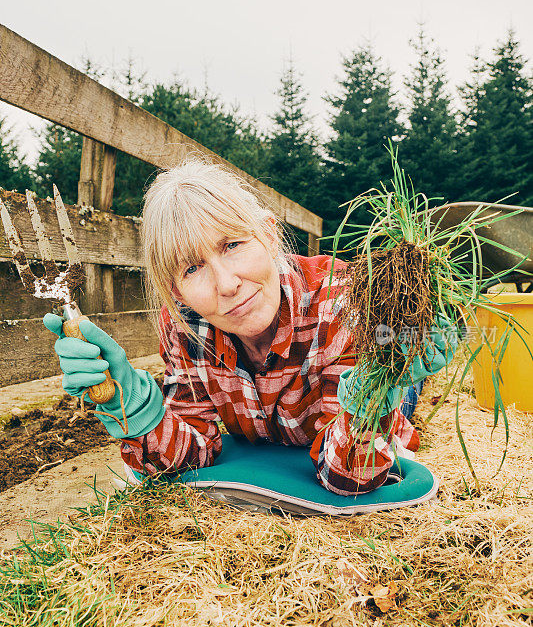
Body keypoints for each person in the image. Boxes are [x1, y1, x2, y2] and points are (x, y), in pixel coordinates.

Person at [43, 158, 453, 496]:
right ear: (177, 291)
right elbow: (189, 458)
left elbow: (348, 477)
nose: (226, 284)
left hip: (353, 393)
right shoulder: (186, 327)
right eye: (192, 267)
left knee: (405, 387)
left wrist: (374, 389)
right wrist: (135, 409)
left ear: (270, 236)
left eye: (232, 245)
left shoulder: (342, 301)